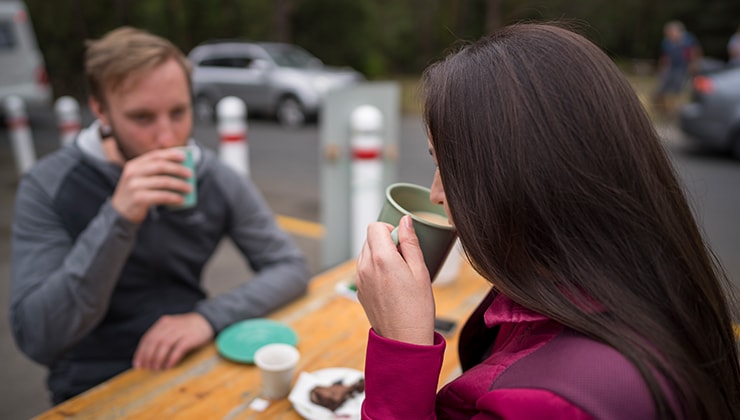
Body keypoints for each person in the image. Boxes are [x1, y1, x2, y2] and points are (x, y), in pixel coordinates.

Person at [355, 23, 740, 419]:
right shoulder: (628, 281)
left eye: (450, 168)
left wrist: (402, 344)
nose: (436, 193)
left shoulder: (555, 404)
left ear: (519, 180)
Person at [9, 26, 311, 404]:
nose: (167, 137)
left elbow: (289, 267)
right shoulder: (48, 184)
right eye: (142, 117)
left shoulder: (214, 176)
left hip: (191, 361)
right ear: (101, 111)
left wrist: (207, 318)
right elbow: (37, 336)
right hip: (90, 381)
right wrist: (118, 217)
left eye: (179, 112)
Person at [653, 20, 702, 116]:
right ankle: (663, 110)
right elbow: (665, 57)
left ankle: (677, 110)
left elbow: (695, 52)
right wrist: (662, 68)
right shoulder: (666, 42)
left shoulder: (688, 39)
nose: (668, 35)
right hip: (671, 67)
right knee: (661, 88)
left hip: (683, 67)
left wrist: (693, 64)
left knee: (678, 88)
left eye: (670, 32)